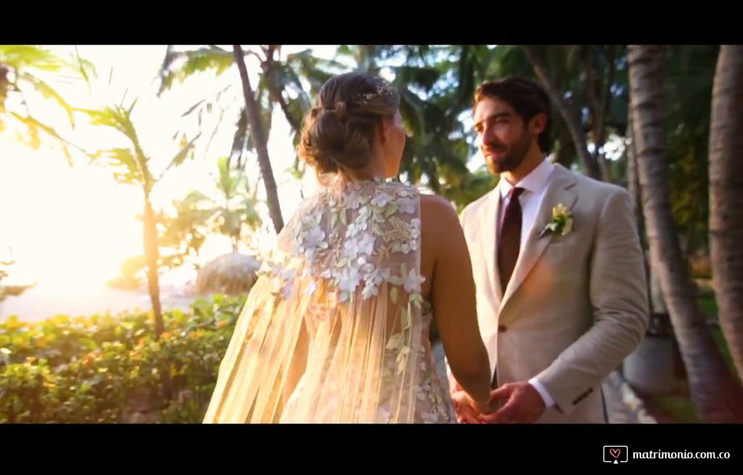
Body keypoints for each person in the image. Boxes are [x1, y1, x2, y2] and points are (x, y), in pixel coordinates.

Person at [203, 72, 492, 423]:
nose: (403, 134)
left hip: (316, 410)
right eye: (400, 123)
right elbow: (468, 361)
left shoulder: (303, 221)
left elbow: (292, 352)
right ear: (385, 128)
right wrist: (483, 401)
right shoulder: (429, 216)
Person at [448, 76, 648, 423]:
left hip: (562, 413)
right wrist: (458, 383)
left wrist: (544, 391)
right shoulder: (472, 216)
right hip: (480, 413)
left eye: (500, 121)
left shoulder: (601, 203)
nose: (485, 138)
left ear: (537, 123)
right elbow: (464, 313)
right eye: (479, 127)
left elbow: (624, 318)